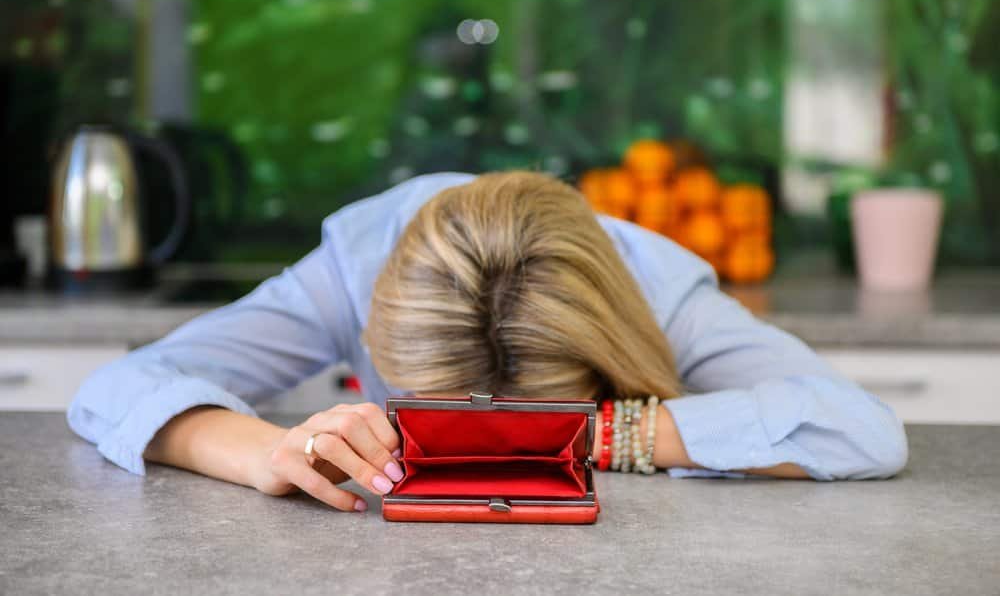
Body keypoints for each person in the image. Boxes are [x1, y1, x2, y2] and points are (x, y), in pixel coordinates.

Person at [67, 170, 908, 513]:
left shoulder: (657, 286)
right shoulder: (355, 269)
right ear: (376, 327)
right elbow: (115, 386)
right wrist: (264, 450)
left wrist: (596, 433)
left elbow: (863, 428)